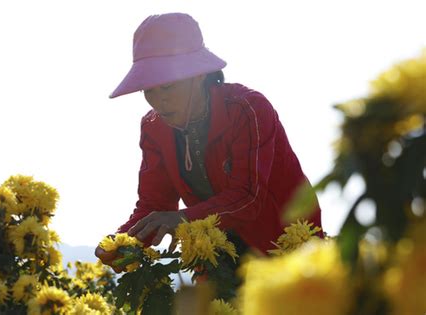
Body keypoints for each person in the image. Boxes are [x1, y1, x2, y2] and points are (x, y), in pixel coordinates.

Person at [95, 12, 322, 269]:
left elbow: (248, 198)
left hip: (288, 256)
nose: (158, 100)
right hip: (215, 261)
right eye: (148, 89)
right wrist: (122, 241)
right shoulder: (153, 128)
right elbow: (154, 205)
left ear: (199, 74)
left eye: (167, 86)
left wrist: (181, 218)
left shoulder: (247, 109)